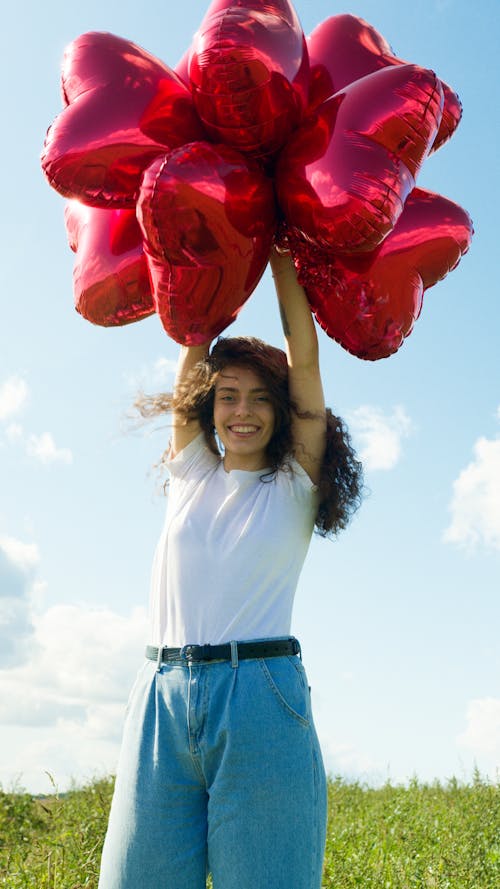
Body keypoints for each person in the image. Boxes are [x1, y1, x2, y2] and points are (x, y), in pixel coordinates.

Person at [97, 247, 363, 889]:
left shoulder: (293, 484)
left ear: (278, 412)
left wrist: (276, 258)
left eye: (258, 400)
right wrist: (225, 242)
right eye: (227, 398)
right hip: (161, 692)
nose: (241, 411)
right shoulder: (189, 472)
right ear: (210, 409)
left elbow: (305, 361)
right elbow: (194, 345)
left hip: (259, 696)